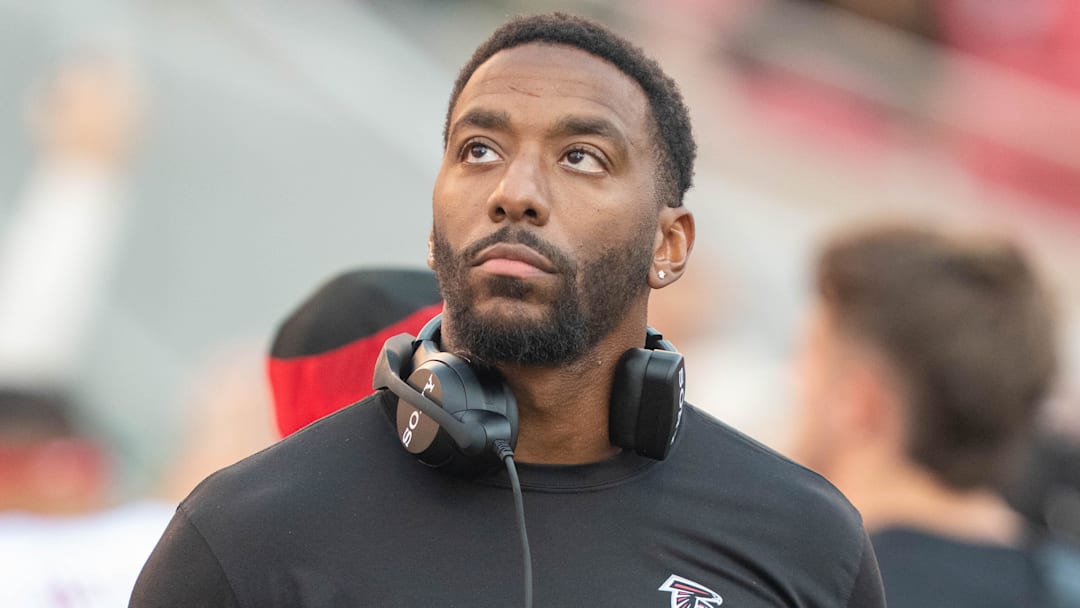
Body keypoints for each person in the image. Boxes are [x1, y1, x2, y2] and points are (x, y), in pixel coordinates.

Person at [130, 13, 885, 607]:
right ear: (433, 229)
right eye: (480, 149)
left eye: (581, 155)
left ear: (670, 244)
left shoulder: (805, 539)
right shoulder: (245, 532)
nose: (513, 190)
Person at [790, 222, 1078, 607]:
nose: (793, 379)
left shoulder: (808, 586)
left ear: (858, 401)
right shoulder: (1056, 585)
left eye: (809, 355)